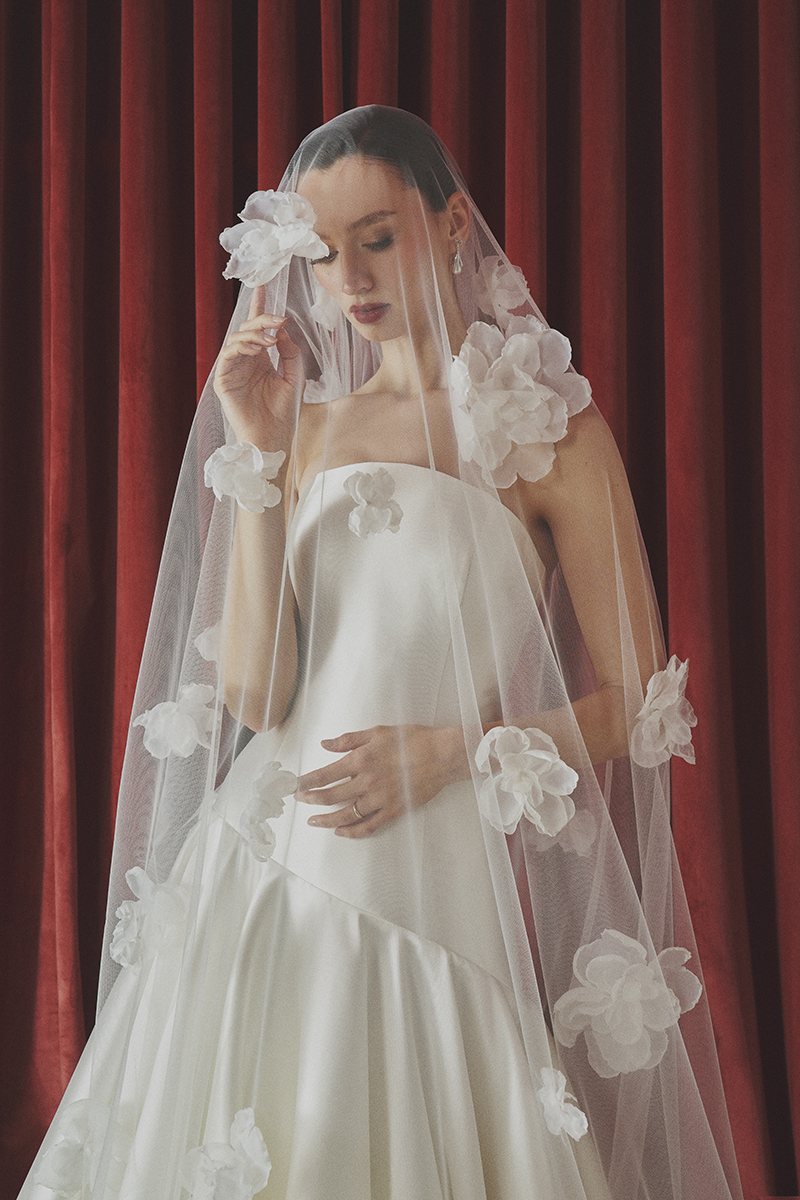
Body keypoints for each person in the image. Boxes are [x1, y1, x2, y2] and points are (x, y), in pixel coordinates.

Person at [19, 106, 743, 1199]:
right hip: (269, 859)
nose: (347, 278)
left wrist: (452, 752)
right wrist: (259, 459)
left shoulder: (548, 432)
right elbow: (256, 692)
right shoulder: (303, 426)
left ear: (451, 225)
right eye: (321, 251)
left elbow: (641, 702)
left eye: (377, 237)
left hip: (433, 863)